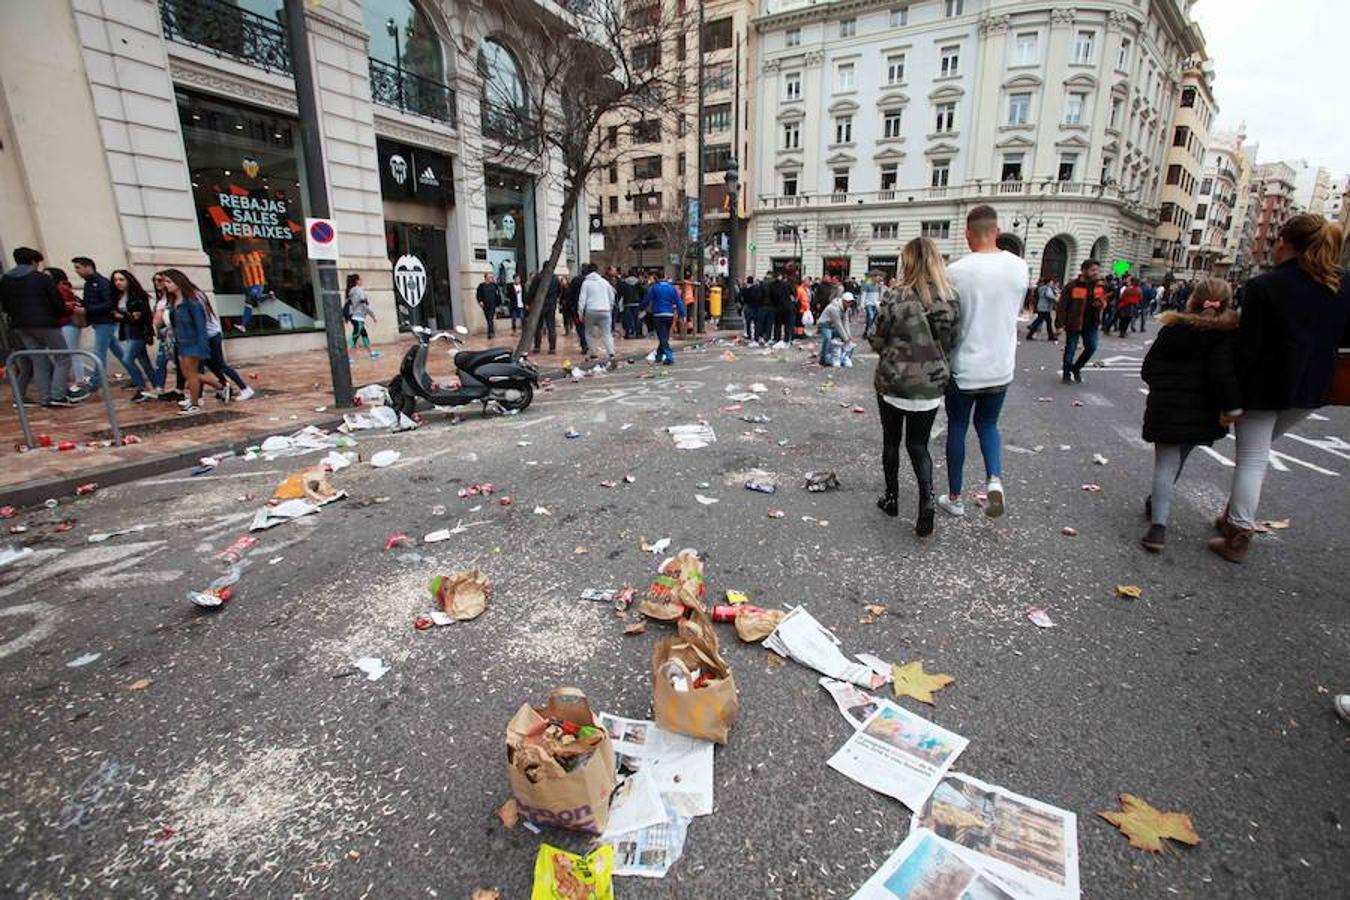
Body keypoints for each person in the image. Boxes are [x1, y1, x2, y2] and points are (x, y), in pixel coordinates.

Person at [1210, 214, 1350, 562]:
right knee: (1261, 450)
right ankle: (1232, 517)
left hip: (1265, 385)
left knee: (1253, 457)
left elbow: (1248, 348)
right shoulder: (1342, 284)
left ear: (1284, 242)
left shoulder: (1266, 286)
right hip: (1313, 386)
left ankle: (1238, 533)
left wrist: (1231, 396)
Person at [1138, 279, 1242, 552]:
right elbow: (1224, 375)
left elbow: (1148, 368)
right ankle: (1157, 503)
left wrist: (1161, 386)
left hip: (1167, 405)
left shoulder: (1173, 328)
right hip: (1203, 410)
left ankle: (1158, 527)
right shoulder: (1225, 335)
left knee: (1165, 462)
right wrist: (1231, 407)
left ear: (1193, 299)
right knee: (1179, 457)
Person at [939, 205, 1029, 520]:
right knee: (989, 425)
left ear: (967, 233)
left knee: (958, 427)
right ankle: (994, 478)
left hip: (965, 366)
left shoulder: (956, 271)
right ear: (998, 231)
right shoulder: (1019, 267)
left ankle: (954, 497)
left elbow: (949, 321)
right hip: (1001, 365)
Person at [870, 237, 961, 537]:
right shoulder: (950, 297)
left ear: (907, 262)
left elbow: (877, 337)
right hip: (931, 385)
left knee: (891, 441)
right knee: (919, 446)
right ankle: (927, 499)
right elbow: (953, 341)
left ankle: (892, 498)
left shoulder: (895, 296)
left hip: (894, 381)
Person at [0, 247, 81, 407]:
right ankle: (58, 395)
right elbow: (56, 301)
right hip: (45, 323)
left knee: (38, 359)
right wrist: (59, 313)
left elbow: (5, 306)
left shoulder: (6, 280)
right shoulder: (41, 278)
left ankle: (45, 397)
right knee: (63, 357)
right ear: (33, 262)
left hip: (20, 325)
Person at [158, 268, 218, 415]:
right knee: (188, 374)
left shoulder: (191, 302)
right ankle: (220, 387)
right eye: (165, 282)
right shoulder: (174, 302)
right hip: (182, 343)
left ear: (178, 282)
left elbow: (200, 326)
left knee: (191, 374)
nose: (166, 285)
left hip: (193, 343)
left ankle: (195, 403)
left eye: (169, 281)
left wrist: (202, 347)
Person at [73, 256, 133, 390]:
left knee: (99, 352)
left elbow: (109, 304)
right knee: (119, 351)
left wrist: (86, 309)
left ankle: (96, 381)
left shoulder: (102, 283)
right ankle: (135, 374)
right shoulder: (89, 283)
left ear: (88, 266)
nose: (76, 271)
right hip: (98, 321)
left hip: (106, 322)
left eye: (78, 267)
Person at [111, 269, 162, 401]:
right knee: (144, 362)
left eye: (121, 279)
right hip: (127, 332)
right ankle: (157, 387)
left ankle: (141, 387)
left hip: (138, 333)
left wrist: (121, 316)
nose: (118, 283)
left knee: (127, 359)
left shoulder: (138, 296)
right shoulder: (118, 297)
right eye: (115, 280)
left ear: (128, 280)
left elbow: (141, 318)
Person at [1057, 258, 1106, 384]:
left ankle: (1076, 368)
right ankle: (1066, 374)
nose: (1096, 273)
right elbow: (1062, 306)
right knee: (1070, 349)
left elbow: (1103, 301)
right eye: (1092, 270)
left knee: (1092, 347)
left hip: (1091, 323)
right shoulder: (1072, 286)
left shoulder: (1099, 286)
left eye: (1097, 270)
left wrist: (1100, 304)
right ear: (1084, 271)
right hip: (1074, 323)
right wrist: (1059, 324)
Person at [198, 290, 251, 402]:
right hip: (210, 335)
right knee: (211, 364)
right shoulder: (195, 295)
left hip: (211, 336)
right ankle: (225, 387)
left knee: (219, 365)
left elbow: (201, 320)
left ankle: (244, 388)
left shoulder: (194, 296)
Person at [48, 267, 87, 392]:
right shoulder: (54, 289)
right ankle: (77, 380)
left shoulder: (60, 289)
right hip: (64, 324)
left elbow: (68, 306)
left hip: (68, 323)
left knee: (72, 353)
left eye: (47, 275)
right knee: (70, 353)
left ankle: (79, 381)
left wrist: (64, 306)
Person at [577, 262, 617, 368]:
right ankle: (611, 354)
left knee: (589, 333)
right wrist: (610, 307)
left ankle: (593, 353)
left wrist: (580, 313)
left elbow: (582, 300)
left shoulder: (586, 283)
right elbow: (612, 296)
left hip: (591, 310)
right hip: (605, 310)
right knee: (607, 333)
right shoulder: (604, 282)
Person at [642, 275, 685, 365]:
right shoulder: (672, 288)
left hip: (658, 314)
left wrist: (641, 307)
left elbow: (646, 300)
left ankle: (669, 356)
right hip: (669, 314)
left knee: (662, 336)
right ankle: (659, 355)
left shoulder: (654, 288)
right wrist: (682, 313)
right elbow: (679, 301)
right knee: (664, 335)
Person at [345, 273, 379, 360]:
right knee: (355, 336)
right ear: (357, 281)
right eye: (360, 279)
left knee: (364, 334)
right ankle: (348, 356)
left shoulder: (351, 291)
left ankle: (371, 352)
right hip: (358, 317)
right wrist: (373, 316)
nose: (362, 281)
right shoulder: (358, 291)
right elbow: (364, 305)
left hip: (355, 317)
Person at [527, 269, 560, 354]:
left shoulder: (538, 277)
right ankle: (552, 348)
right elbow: (559, 291)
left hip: (539, 305)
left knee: (538, 327)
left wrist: (529, 302)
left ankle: (537, 347)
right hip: (551, 305)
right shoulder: (555, 278)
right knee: (551, 326)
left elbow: (531, 291)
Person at [817, 290, 853, 367]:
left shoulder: (846, 308)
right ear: (843, 301)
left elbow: (845, 321)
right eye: (847, 302)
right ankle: (823, 359)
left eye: (850, 302)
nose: (849, 303)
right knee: (828, 338)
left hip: (833, 325)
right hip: (825, 324)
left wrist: (848, 335)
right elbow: (838, 324)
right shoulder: (834, 308)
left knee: (845, 339)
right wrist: (846, 337)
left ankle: (843, 356)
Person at [1026, 277, 1057, 342]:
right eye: (1051, 282)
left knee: (1044, 321)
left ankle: (1050, 335)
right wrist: (1055, 298)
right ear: (1048, 282)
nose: (1052, 283)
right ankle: (1030, 334)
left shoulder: (1041, 288)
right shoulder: (1047, 288)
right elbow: (1049, 295)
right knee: (1044, 321)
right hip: (1045, 307)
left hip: (1041, 306)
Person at [619, 268, 644, 339]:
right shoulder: (638, 282)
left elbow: (621, 292)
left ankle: (627, 333)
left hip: (627, 303)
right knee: (637, 319)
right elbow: (643, 291)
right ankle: (637, 334)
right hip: (636, 303)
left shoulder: (624, 282)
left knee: (627, 319)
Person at [476, 271, 500, 338]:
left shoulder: (494, 285)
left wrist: (498, 303)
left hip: (493, 304)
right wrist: (480, 301)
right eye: (489, 277)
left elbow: (498, 294)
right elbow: (478, 295)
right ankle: (491, 331)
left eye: (491, 277)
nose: (491, 278)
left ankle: (491, 332)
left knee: (490, 318)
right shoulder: (481, 286)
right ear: (485, 278)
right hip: (485, 305)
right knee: (488, 318)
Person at [860, 272, 882, 339]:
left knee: (872, 319)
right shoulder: (867, 285)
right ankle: (869, 332)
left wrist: (879, 302)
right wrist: (862, 304)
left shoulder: (878, 286)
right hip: (869, 303)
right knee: (871, 317)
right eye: (877, 277)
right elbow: (864, 295)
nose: (878, 279)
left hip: (876, 304)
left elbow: (879, 295)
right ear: (873, 278)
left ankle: (866, 331)